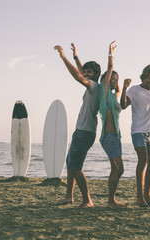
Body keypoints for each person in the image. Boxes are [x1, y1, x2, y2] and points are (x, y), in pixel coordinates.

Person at [54, 44, 101, 208]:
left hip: (85, 132)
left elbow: (77, 76)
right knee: (70, 162)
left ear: (95, 75)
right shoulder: (93, 85)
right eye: (86, 71)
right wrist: (75, 56)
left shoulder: (94, 86)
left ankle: (87, 200)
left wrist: (63, 57)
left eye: (89, 72)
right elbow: (81, 72)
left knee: (75, 165)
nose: (85, 74)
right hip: (81, 130)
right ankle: (69, 196)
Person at [120, 64, 150, 206]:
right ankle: (140, 197)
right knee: (143, 160)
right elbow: (123, 105)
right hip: (138, 131)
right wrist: (124, 88)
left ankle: (147, 195)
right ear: (144, 76)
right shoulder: (134, 90)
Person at [97, 41, 126, 209]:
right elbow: (109, 70)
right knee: (117, 169)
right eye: (112, 80)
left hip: (116, 137)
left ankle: (111, 199)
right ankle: (110, 201)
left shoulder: (114, 98)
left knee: (118, 169)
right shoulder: (104, 92)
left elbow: (119, 92)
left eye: (116, 80)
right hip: (108, 137)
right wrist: (110, 53)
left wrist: (123, 84)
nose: (114, 82)